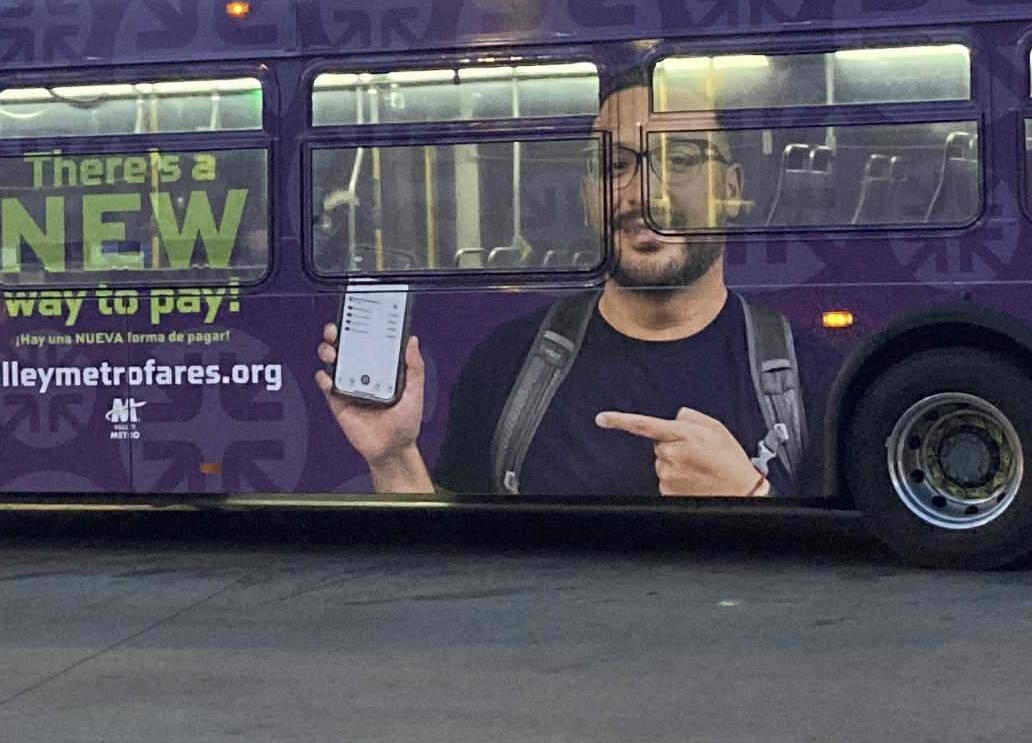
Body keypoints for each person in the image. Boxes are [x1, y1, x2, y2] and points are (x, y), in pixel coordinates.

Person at [314, 77, 802, 500]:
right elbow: (453, 569)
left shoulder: (810, 379)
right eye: (614, 166)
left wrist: (751, 496)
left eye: (679, 158)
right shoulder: (506, 366)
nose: (642, 193)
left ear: (732, 189)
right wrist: (393, 457)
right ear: (587, 195)